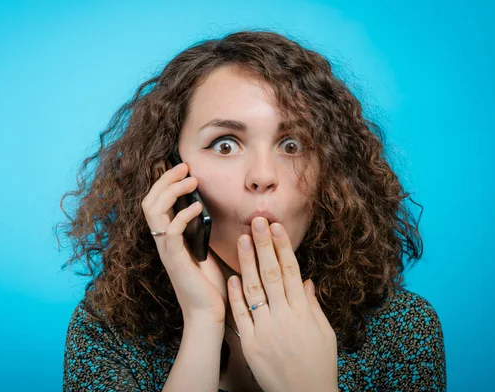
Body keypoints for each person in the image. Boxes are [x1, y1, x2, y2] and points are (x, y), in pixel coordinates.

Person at [58, 30, 446, 392]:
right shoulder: (106, 331)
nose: (262, 176)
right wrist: (202, 323)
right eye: (225, 145)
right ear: (167, 173)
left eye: (292, 144)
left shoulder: (401, 330)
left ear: (331, 172)